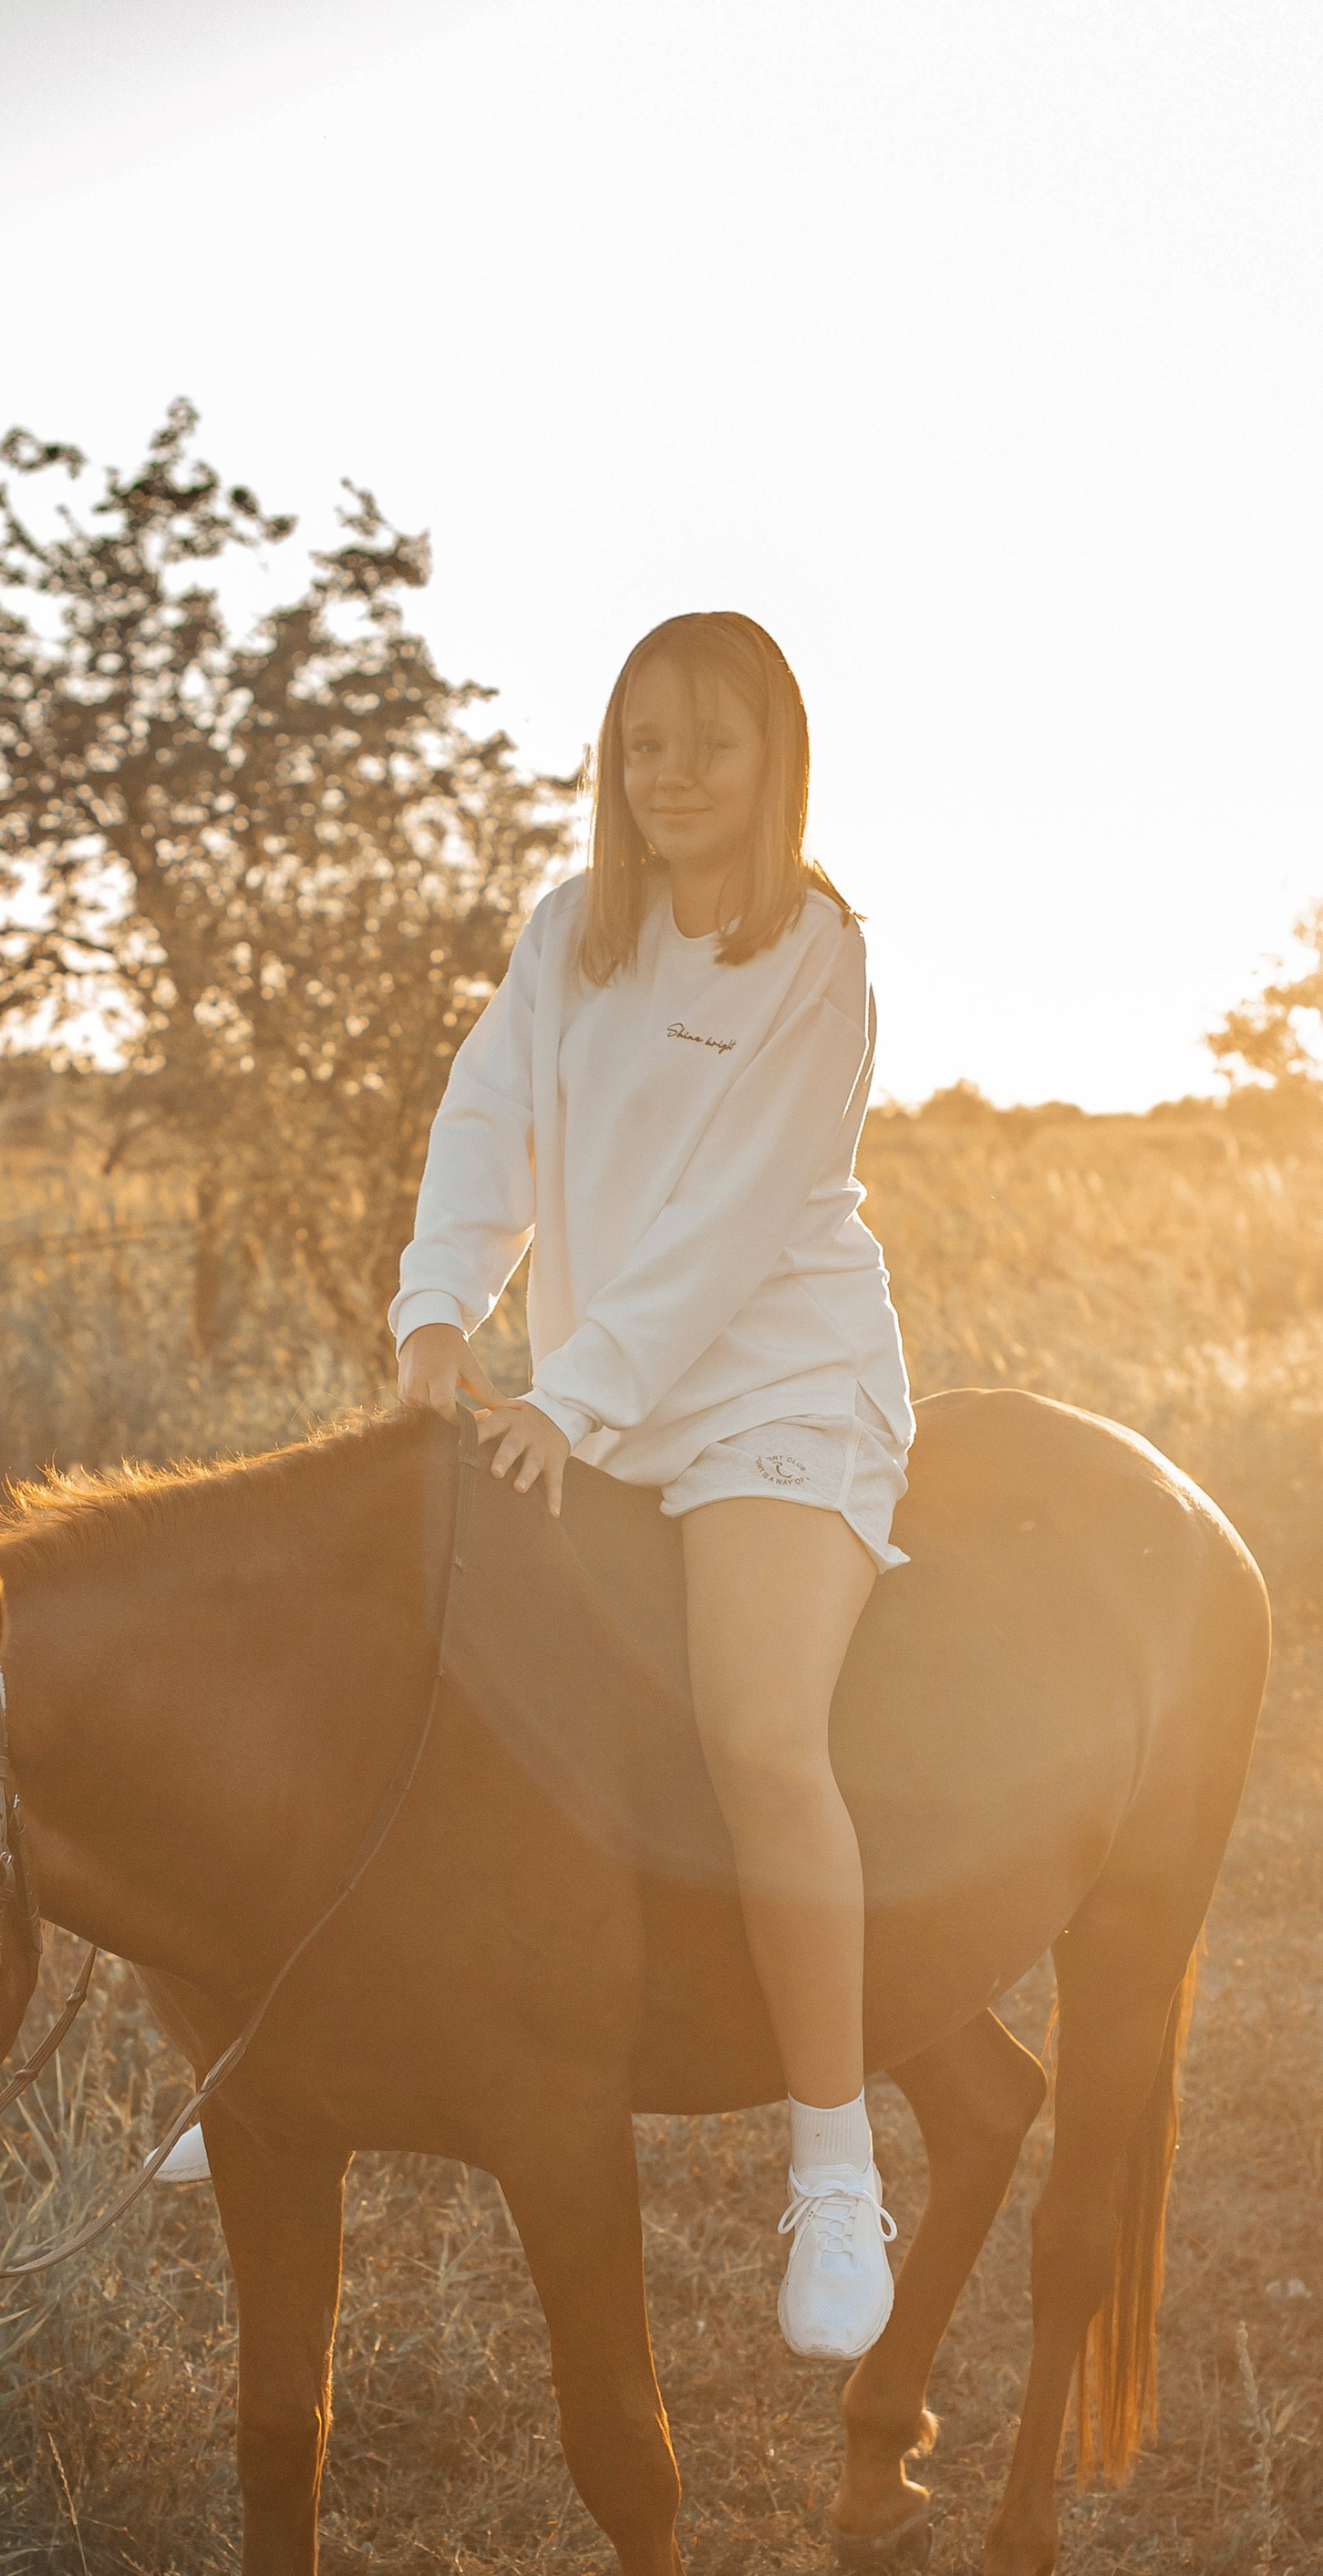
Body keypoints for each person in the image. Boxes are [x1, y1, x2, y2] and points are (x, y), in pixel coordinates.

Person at [393, 610, 913, 2360]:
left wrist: (578, 1392)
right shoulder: (572, 935)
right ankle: (308, 2034)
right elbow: (487, 1122)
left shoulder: (815, 950)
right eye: (641, 745)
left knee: (758, 1736)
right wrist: (434, 1309)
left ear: (778, 760)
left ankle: (834, 2168)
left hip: (770, 1382)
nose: (671, 775)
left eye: (709, 743)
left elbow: (736, 1214)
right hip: (592, 1386)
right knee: (423, 1641)